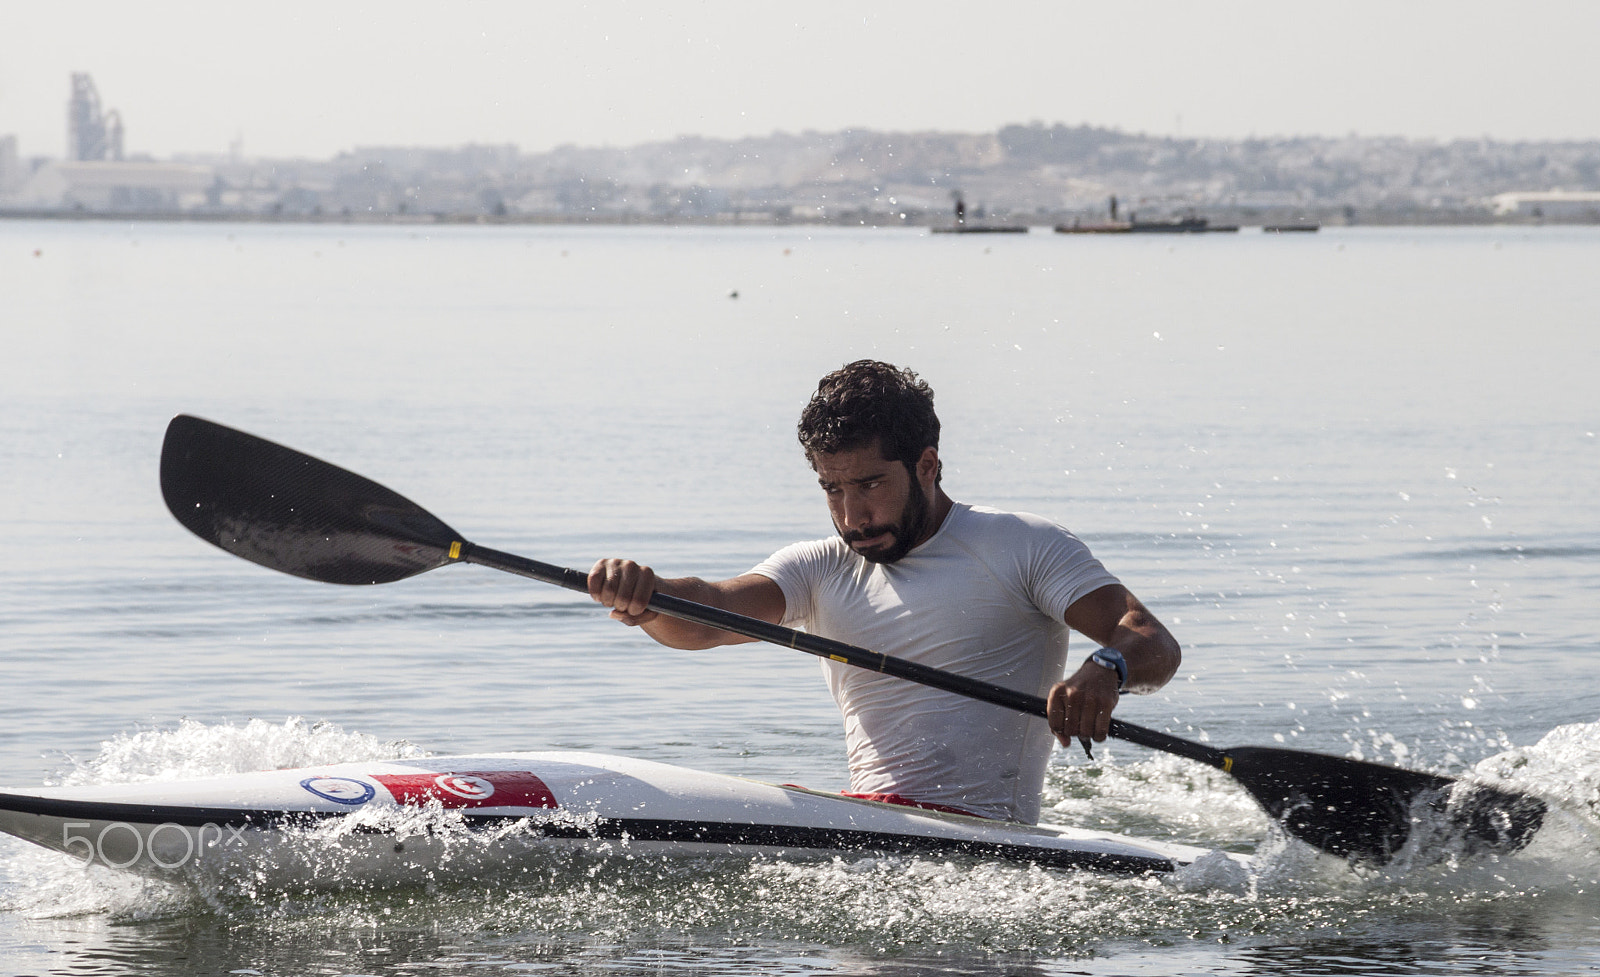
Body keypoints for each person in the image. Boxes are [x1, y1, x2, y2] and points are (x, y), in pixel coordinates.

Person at [588, 360, 1180, 823]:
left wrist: (1105, 669)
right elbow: (708, 614)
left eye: (869, 484)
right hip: (869, 821)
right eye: (832, 490)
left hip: (987, 837)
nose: (852, 516)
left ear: (927, 465)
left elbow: (1152, 640)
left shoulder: (1020, 546)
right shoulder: (818, 567)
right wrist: (649, 597)